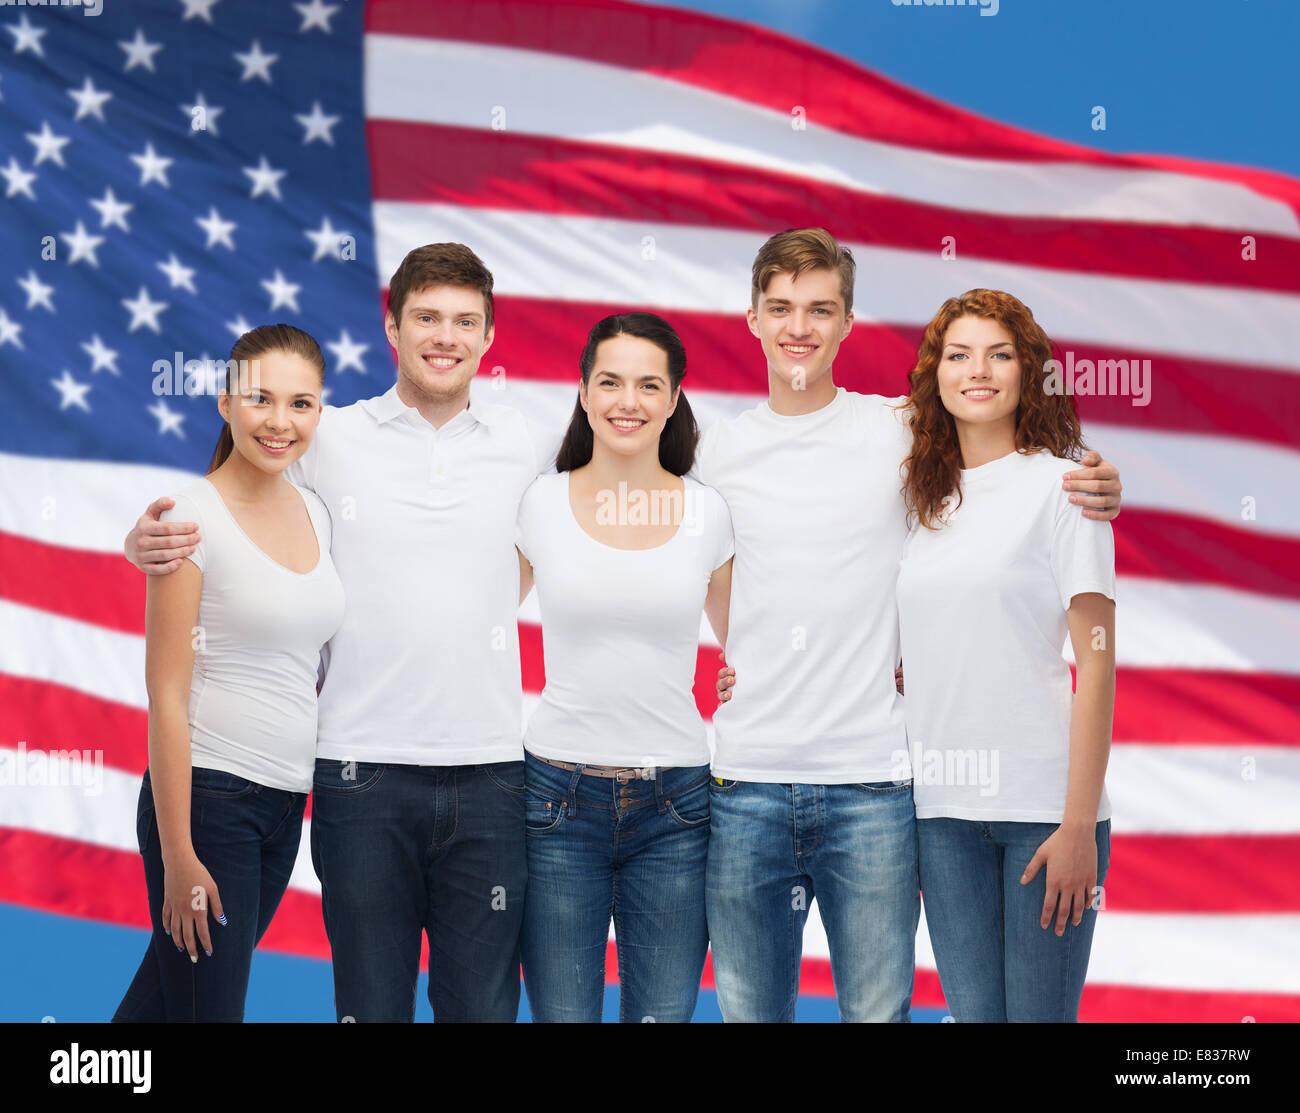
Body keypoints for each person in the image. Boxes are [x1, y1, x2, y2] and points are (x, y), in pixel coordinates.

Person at [701, 228, 1123, 1022]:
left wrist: (1098, 477)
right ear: (752, 317)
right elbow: (664, 537)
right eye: (781, 307)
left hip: (893, 787)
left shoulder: (902, 435)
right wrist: (741, 648)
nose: (800, 325)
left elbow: (1091, 645)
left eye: (821, 307)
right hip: (848, 793)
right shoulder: (718, 449)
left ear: (849, 322)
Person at [123, 245, 553, 1022]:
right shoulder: (332, 435)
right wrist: (143, 541)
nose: (444, 336)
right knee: (365, 1005)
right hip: (359, 776)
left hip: (489, 771)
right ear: (392, 327)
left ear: (490, 337)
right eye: (425, 317)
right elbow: (237, 491)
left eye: (464, 322)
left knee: (482, 1008)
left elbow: (608, 498)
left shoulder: (527, 440)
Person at [894, 289, 1115, 1022]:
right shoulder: (919, 500)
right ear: (937, 375)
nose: (977, 370)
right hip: (942, 812)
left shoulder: (1066, 485)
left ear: (1028, 371)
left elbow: (1098, 663)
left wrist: (1078, 824)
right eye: (958, 355)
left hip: (1042, 810)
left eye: (999, 353)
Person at [113, 324, 345, 1022]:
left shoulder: (317, 510)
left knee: (161, 1010)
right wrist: (178, 853)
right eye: (260, 399)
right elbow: (166, 692)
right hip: (208, 804)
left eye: (300, 403)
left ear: (319, 414)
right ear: (224, 403)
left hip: (283, 808)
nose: (280, 422)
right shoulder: (190, 518)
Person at [515, 313, 733, 1023]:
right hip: (555, 800)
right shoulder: (540, 503)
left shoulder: (708, 513)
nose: (627, 401)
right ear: (582, 391)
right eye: (609, 381)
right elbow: (470, 624)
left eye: (648, 384)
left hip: (677, 806)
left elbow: (751, 650)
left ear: (673, 399)